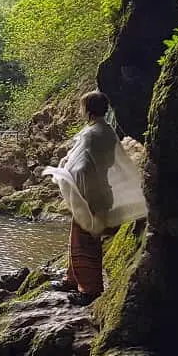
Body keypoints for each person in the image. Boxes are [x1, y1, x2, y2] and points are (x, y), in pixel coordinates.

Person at [43, 90, 147, 305]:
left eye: (82, 107)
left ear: (88, 110)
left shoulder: (92, 134)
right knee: (78, 238)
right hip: (99, 191)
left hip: (92, 194)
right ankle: (72, 278)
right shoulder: (106, 131)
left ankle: (90, 290)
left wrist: (64, 174)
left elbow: (80, 165)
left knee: (87, 243)